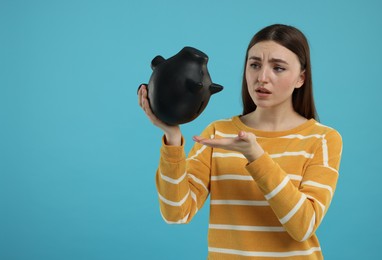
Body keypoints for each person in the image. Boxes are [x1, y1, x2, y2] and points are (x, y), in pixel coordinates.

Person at [138, 24, 342, 259]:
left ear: (300, 78)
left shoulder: (323, 139)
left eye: (278, 68)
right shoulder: (218, 133)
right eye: (254, 65)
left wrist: (256, 156)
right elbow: (176, 212)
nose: (262, 77)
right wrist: (173, 138)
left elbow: (303, 226)